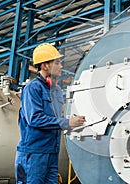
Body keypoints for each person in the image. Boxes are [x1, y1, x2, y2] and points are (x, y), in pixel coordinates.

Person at [15, 43, 86, 184]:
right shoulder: (32, 88)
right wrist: (66, 123)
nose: (61, 66)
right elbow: (34, 119)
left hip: (52, 152)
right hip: (34, 152)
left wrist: (72, 123)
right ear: (44, 66)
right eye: (57, 62)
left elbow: (56, 119)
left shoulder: (57, 91)